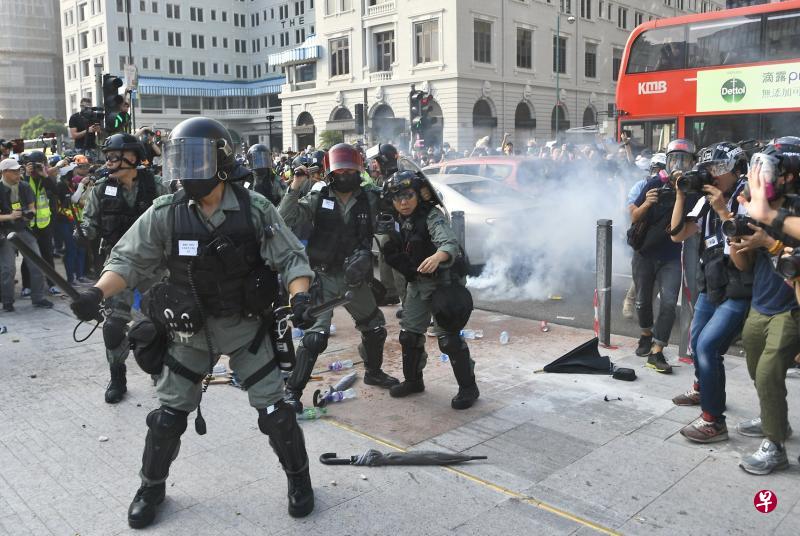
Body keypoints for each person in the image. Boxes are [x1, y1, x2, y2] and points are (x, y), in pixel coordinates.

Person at [68, 116, 316, 528]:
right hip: (187, 330)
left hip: (245, 327)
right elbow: (127, 258)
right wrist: (98, 292)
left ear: (221, 162)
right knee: (166, 419)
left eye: (194, 160)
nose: (185, 170)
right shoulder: (166, 211)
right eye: (179, 160)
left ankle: (299, 479)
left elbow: (290, 258)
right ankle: (151, 486)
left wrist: (301, 295)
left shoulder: (255, 209)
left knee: (276, 413)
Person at [279, 143, 399, 412]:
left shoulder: (369, 197)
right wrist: (295, 185)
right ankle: (292, 392)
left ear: (358, 169)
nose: (345, 173)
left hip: (356, 278)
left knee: (375, 327)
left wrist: (392, 171)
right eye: (340, 168)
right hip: (324, 276)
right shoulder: (318, 196)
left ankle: (373, 371)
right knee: (314, 337)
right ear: (330, 171)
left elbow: (397, 202)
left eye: (350, 168)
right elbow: (285, 218)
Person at [669, 141, 752, 443]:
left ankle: (714, 421)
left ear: (736, 169)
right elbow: (678, 234)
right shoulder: (706, 200)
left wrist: (722, 208)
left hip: (739, 285)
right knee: (695, 343)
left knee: (707, 346)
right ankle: (703, 389)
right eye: (707, 169)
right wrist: (681, 193)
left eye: (718, 168)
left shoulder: (747, 197)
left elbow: (746, 246)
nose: (711, 174)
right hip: (712, 281)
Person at [79, 133, 170, 404]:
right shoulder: (100, 189)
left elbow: (173, 219)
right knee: (114, 327)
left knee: (160, 322)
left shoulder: (156, 186)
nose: (109, 162)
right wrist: (83, 233)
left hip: (154, 266)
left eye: (115, 156)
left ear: (132, 157)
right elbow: (90, 224)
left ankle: (159, 371)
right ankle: (117, 376)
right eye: (107, 157)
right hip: (117, 268)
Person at [381, 170, 479, 409]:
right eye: (397, 197)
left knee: (449, 340)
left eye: (408, 195)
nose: (403, 202)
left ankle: (469, 388)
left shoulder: (431, 216)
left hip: (443, 282)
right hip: (418, 283)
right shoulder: (397, 219)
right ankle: (414, 381)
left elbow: (449, 243)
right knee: (409, 335)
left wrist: (438, 256)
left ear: (419, 195)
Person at [730, 147, 800, 475]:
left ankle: (775, 447)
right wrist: (736, 241)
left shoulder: (793, 214)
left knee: (769, 371)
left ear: (788, 176)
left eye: (769, 173)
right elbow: (743, 264)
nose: (762, 180)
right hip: (760, 303)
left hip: (789, 308)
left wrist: (768, 241)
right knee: (757, 368)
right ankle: (774, 420)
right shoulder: (760, 210)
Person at [629, 139, 694, 373]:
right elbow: (634, 216)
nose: (679, 165)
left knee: (668, 303)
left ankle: (657, 351)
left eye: (684, 160)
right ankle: (646, 334)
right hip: (645, 253)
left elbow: (692, 223)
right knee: (642, 300)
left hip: (672, 257)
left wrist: (682, 195)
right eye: (675, 159)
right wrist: (647, 203)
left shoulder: (692, 191)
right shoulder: (653, 183)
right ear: (667, 161)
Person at [0, 158, 53, 311]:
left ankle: (38, 298)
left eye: (19, 170)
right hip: (5, 232)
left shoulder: (24, 186)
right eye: (15, 171)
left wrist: (27, 213)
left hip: (23, 229)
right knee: (7, 269)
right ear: (4, 172)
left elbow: (32, 208)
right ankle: (7, 301)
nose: (18, 173)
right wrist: (10, 216)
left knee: (37, 263)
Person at [20, 151, 59, 297]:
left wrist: (45, 175)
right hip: (28, 225)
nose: (36, 169)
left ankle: (52, 284)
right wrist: (28, 174)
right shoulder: (23, 179)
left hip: (45, 224)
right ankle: (27, 286)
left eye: (39, 165)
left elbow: (56, 191)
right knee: (27, 256)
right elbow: (20, 189)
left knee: (47, 255)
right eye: (33, 165)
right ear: (26, 166)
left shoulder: (47, 178)